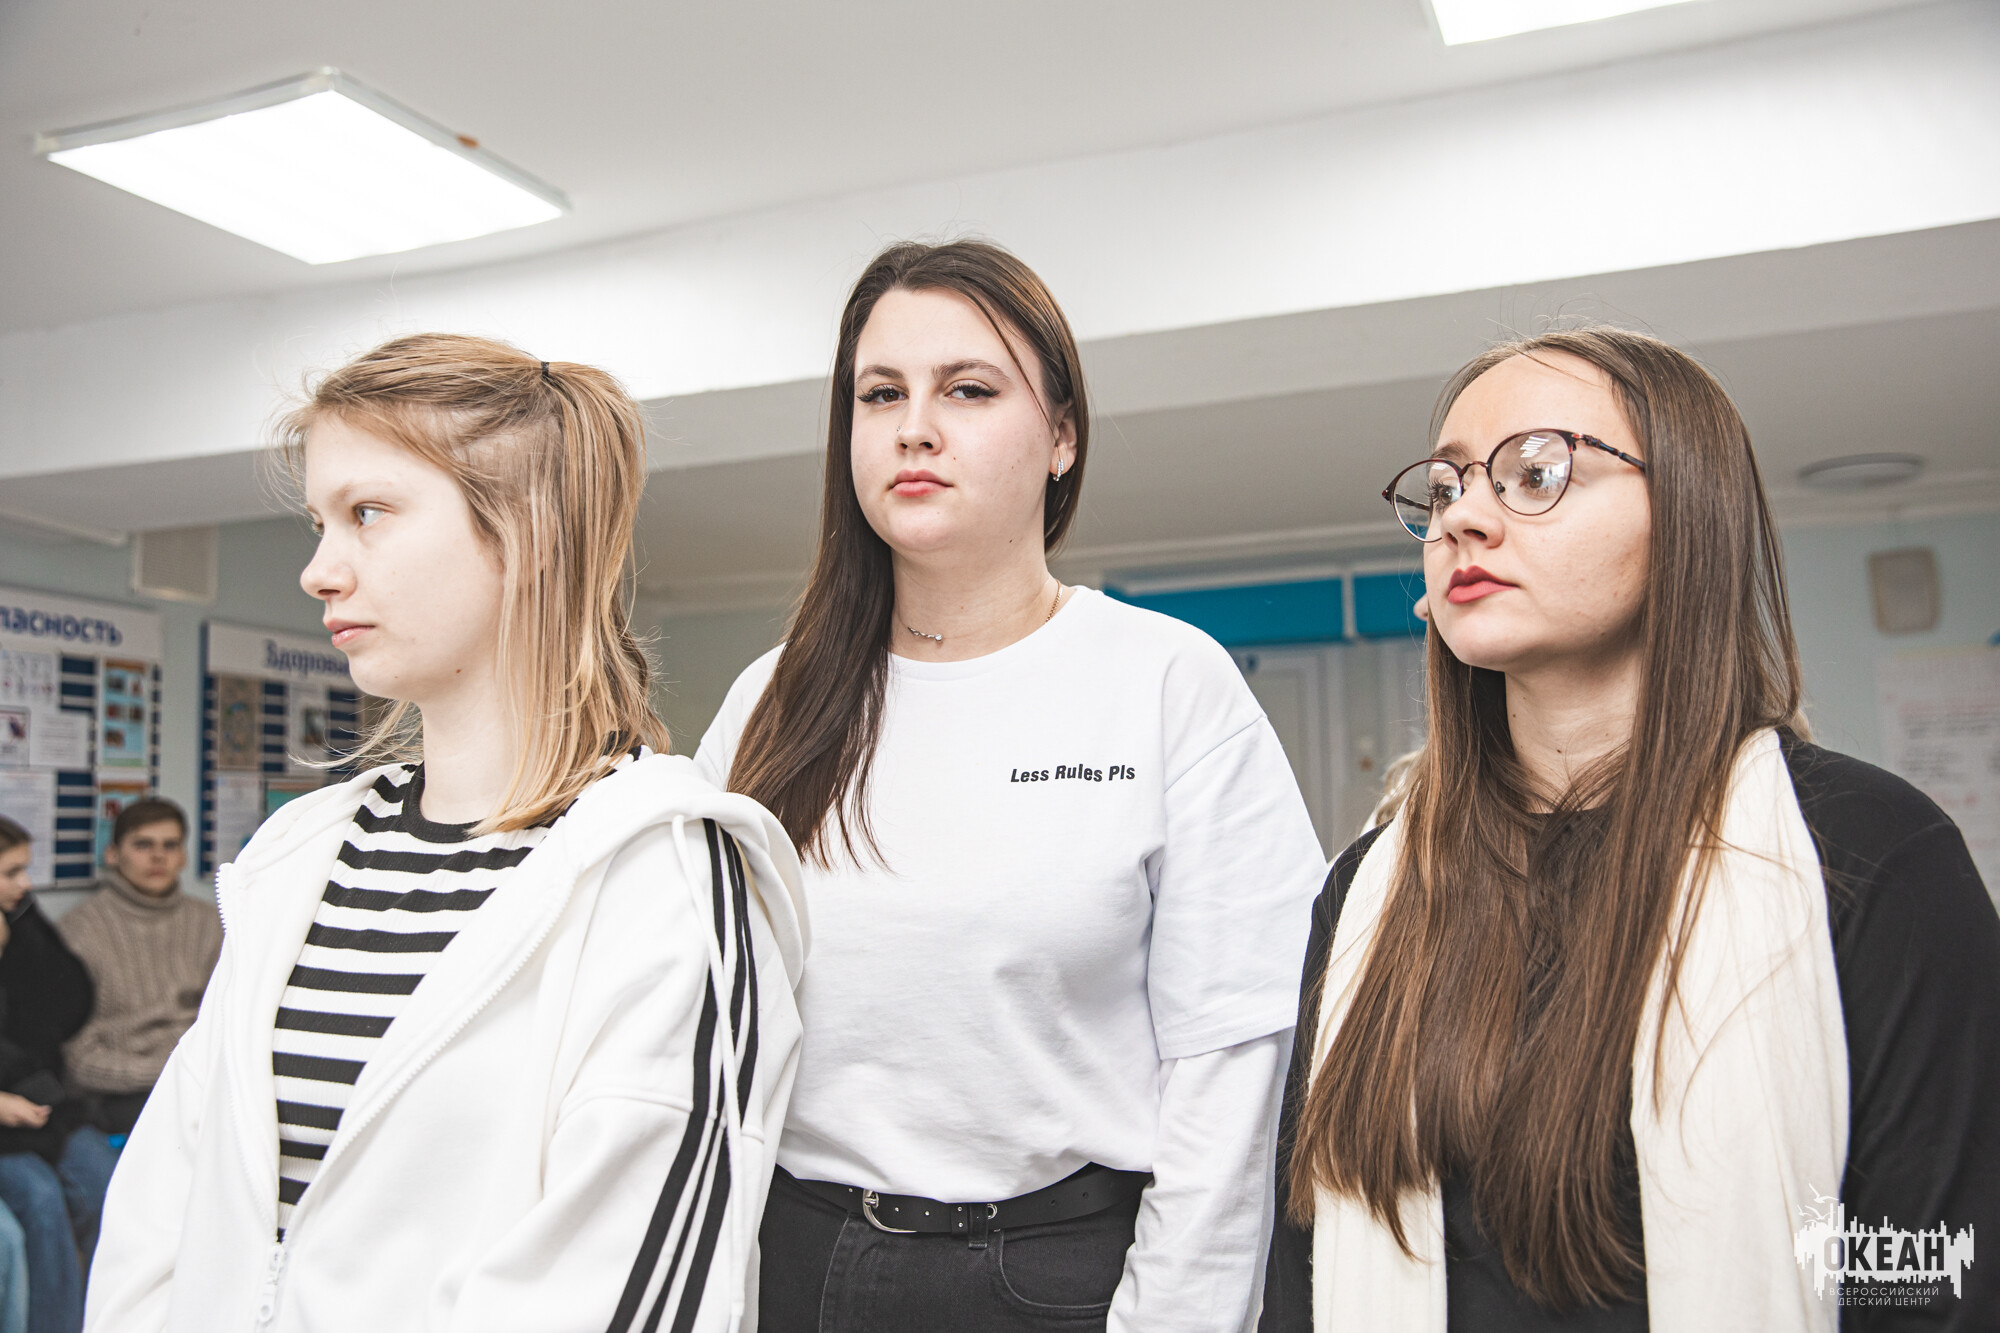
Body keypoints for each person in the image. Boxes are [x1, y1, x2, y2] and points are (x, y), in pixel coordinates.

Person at [1262, 327, 2000, 1332]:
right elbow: (1300, 1276)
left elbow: (1931, 1286)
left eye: (1535, 472)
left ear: (1689, 515)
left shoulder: (1869, 852)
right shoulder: (1372, 890)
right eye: (1443, 488)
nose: (1463, 517)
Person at [86, 334, 809, 1333]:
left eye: (367, 514)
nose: (318, 571)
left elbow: (619, 1292)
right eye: (320, 522)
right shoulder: (293, 861)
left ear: (529, 528)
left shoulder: (668, 879)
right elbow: (161, 1217)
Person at [695, 240, 1326, 1332]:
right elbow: (693, 1017)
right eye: (880, 393)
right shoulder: (773, 697)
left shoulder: (1165, 680)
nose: (914, 427)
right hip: (787, 1258)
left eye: (969, 389)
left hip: (1053, 1274)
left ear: (1062, 436)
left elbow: (1233, 1066)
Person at [54, 798, 218, 1263]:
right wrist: (170, 1069)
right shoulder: (77, 932)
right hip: (116, 1105)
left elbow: (229, 1023)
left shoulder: (211, 924)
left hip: (202, 1097)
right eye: (143, 845)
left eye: (170, 845)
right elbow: (76, 1060)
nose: (158, 857)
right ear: (113, 854)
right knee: (122, 1213)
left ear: (184, 855)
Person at [0, 815, 97, 1333]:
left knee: (102, 1179)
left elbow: (69, 1006)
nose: (25, 884)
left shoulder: (20, 920)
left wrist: (21, 932)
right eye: (11, 873)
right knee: (38, 1201)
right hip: (10, 1119)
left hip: (38, 1105)